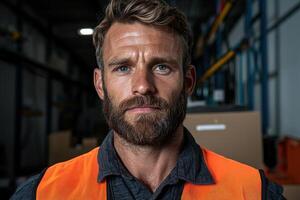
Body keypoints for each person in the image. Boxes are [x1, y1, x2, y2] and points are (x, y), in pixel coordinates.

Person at [11, 0, 285, 199]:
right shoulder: (43, 193)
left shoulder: (253, 191)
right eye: (122, 68)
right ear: (100, 84)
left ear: (188, 81)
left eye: (161, 67)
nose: (143, 86)